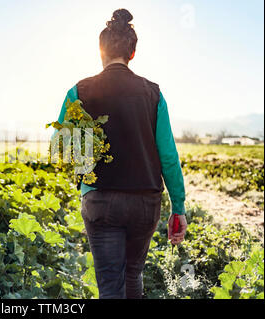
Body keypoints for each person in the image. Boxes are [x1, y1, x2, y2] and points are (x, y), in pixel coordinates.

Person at [54, 8, 187, 299]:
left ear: (100, 52)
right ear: (133, 53)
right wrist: (179, 207)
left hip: (100, 200)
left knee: (111, 284)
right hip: (145, 202)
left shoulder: (79, 91)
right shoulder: (153, 94)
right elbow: (168, 155)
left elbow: (61, 147)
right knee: (132, 275)